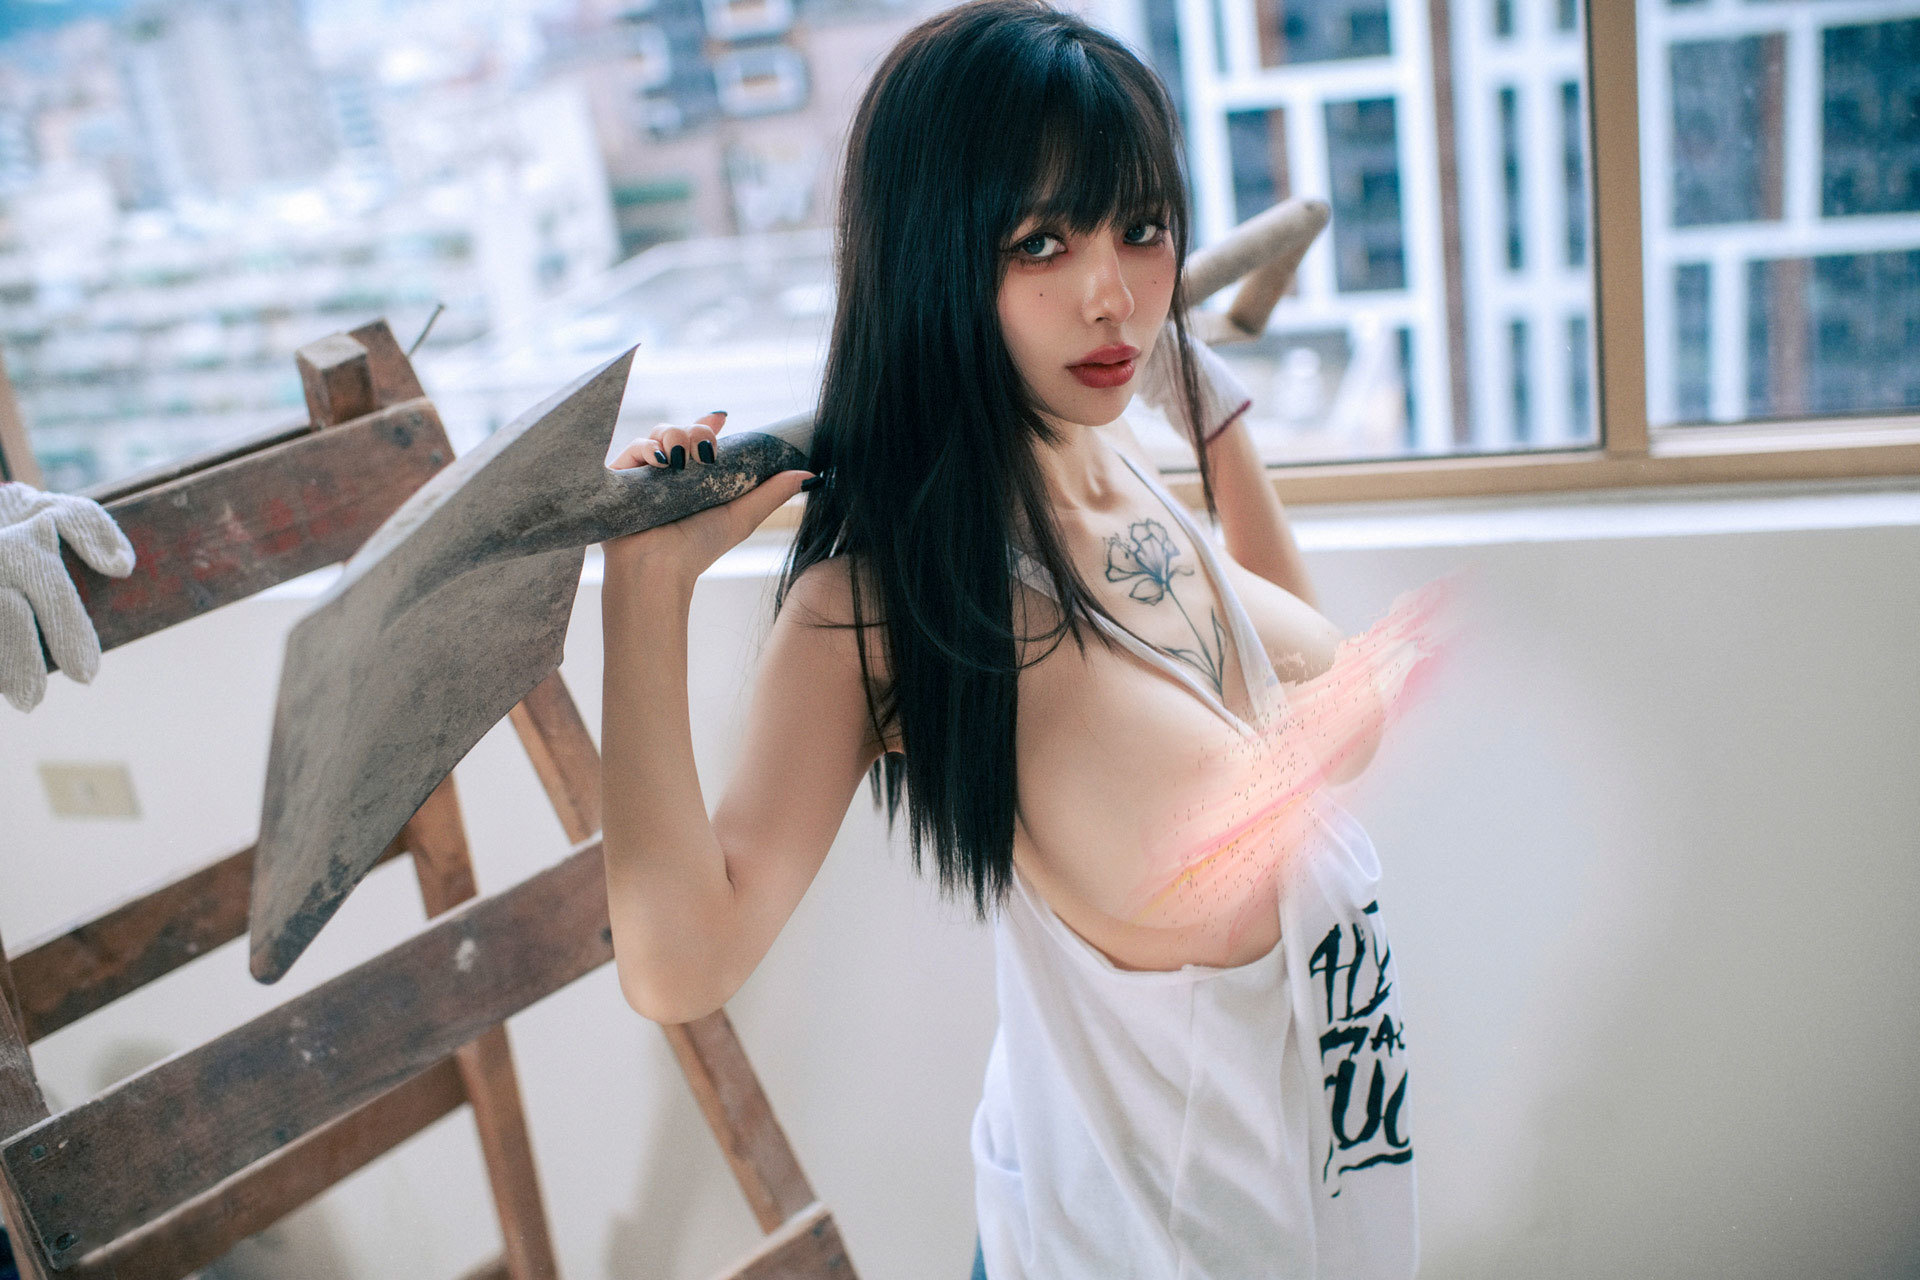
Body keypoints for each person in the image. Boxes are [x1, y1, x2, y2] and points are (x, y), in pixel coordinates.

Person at [597, 1, 1419, 1275]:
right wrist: (642, 596)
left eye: (1141, 228)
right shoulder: (883, 609)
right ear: (935, 263)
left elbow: (1280, 696)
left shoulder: (1113, 456)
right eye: (1040, 242)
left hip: (1281, 1221)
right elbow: (679, 964)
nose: (1113, 296)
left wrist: (1213, 415)